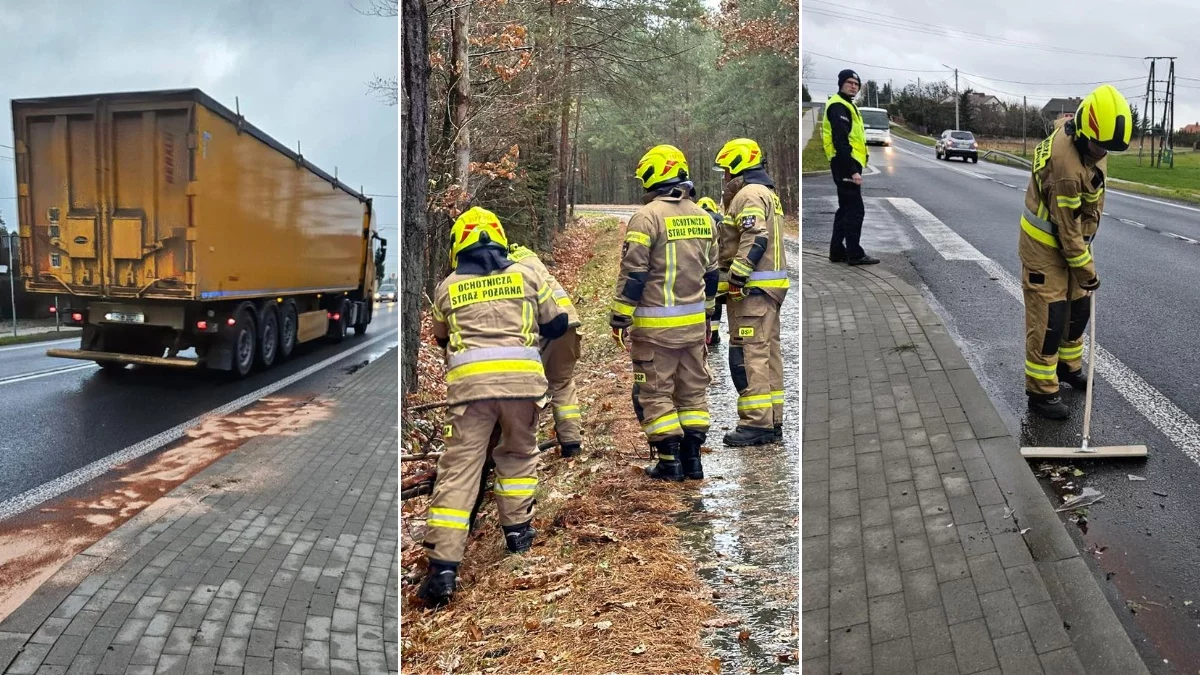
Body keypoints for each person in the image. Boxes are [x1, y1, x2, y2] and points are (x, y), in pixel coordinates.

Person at [418, 207, 570, 606]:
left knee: (460, 470)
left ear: (459, 247)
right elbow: (557, 323)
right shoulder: (526, 274)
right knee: (518, 456)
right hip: (523, 386)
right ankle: (518, 535)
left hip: (470, 393)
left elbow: (440, 337)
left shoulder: (447, 287)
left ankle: (443, 569)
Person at [1019, 84, 1129, 419]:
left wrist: (1083, 270)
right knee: (1049, 320)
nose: (1102, 154)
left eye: (1108, 148)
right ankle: (1041, 392)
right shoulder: (1065, 170)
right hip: (1045, 248)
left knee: (1078, 309)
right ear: (1081, 133)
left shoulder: (1087, 139)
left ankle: (1068, 368)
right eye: (1099, 146)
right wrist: (1088, 271)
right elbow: (1066, 232)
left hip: (1075, 242)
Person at [610, 144, 718, 481]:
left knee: (655, 391)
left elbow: (634, 273)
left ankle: (669, 462)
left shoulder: (647, 217)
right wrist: (709, 320)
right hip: (693, 328)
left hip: (655, 329)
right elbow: (712, 274)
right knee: (692, 391)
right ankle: (693, 460)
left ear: (653, 175)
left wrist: (619, 318)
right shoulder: (703, 217)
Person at [714, 138, 788, 446]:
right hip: (768, 290)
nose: (724, 178)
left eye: (726, 171)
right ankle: (772, 420)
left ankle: (756, 423)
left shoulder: (748, 194)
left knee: (749, 354)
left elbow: (754, 236)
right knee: (768, 353)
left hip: (752, 291)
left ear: (737, 167)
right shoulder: (767, 193)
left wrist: (736, 277)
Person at [508, 242, 584, 457]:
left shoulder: (507, 267)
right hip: (570, 321)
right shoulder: (529, 257)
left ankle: (516, 447)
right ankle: (572, 444)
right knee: (562, 384)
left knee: (524, 387)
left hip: (546, 325)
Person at [822, 68, 879, 266]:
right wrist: (852, 170)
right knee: (855, 210)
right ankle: (855, 253)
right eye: (849, 83)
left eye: (856, 84)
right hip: (845, 163)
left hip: (847, 162)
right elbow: (841, 141)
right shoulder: (838, 106)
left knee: (845, 209)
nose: (853, 86)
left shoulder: (846, 104)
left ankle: (837, 251)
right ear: (841, 84)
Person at [697, 196, 726, 346]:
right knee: (716, 300)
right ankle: (714, 333)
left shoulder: (698, 219)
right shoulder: (720, 218)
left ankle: (701, 332)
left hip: (702, 268)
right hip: (720, 268)